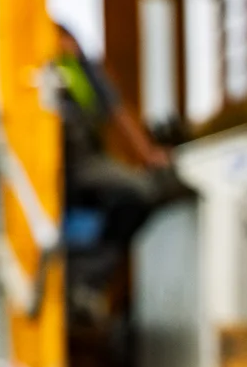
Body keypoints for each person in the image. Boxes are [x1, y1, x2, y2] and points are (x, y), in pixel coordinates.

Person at [48, 24, 174, 306]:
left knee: (140, 192)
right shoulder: (35, 69)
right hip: (47, 170)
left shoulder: (82, 69)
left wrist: (148, 154)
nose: (65, 46)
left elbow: (117, 112)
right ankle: (75, 279)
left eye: (66, 40)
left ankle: (82, 277)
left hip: (83, 164)